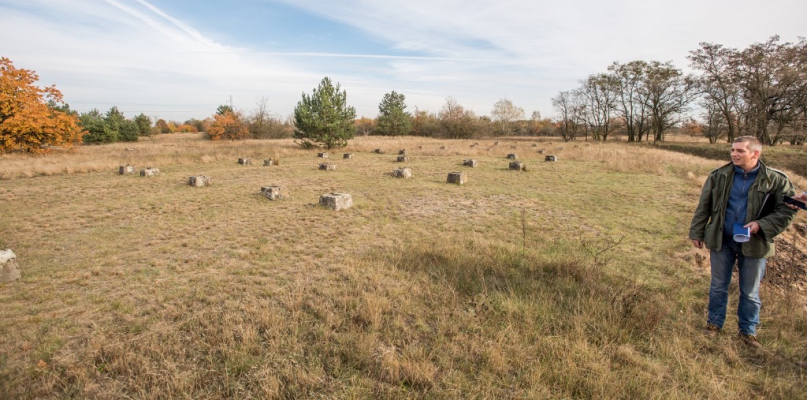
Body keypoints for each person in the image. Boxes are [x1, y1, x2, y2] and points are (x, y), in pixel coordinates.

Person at [689, 136, 797, 349]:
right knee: (718, 286)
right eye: (732, 150)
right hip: (722, 240)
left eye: (740, 151)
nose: (734, 154)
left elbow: (788, 210)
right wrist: (697, 231)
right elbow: (704, 206)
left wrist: (761, 225)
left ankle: (747, 333)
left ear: (755, 154)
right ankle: (713, 325)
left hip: (755, 242)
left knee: (750, 291)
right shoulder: (719, 176)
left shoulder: (776, 180)